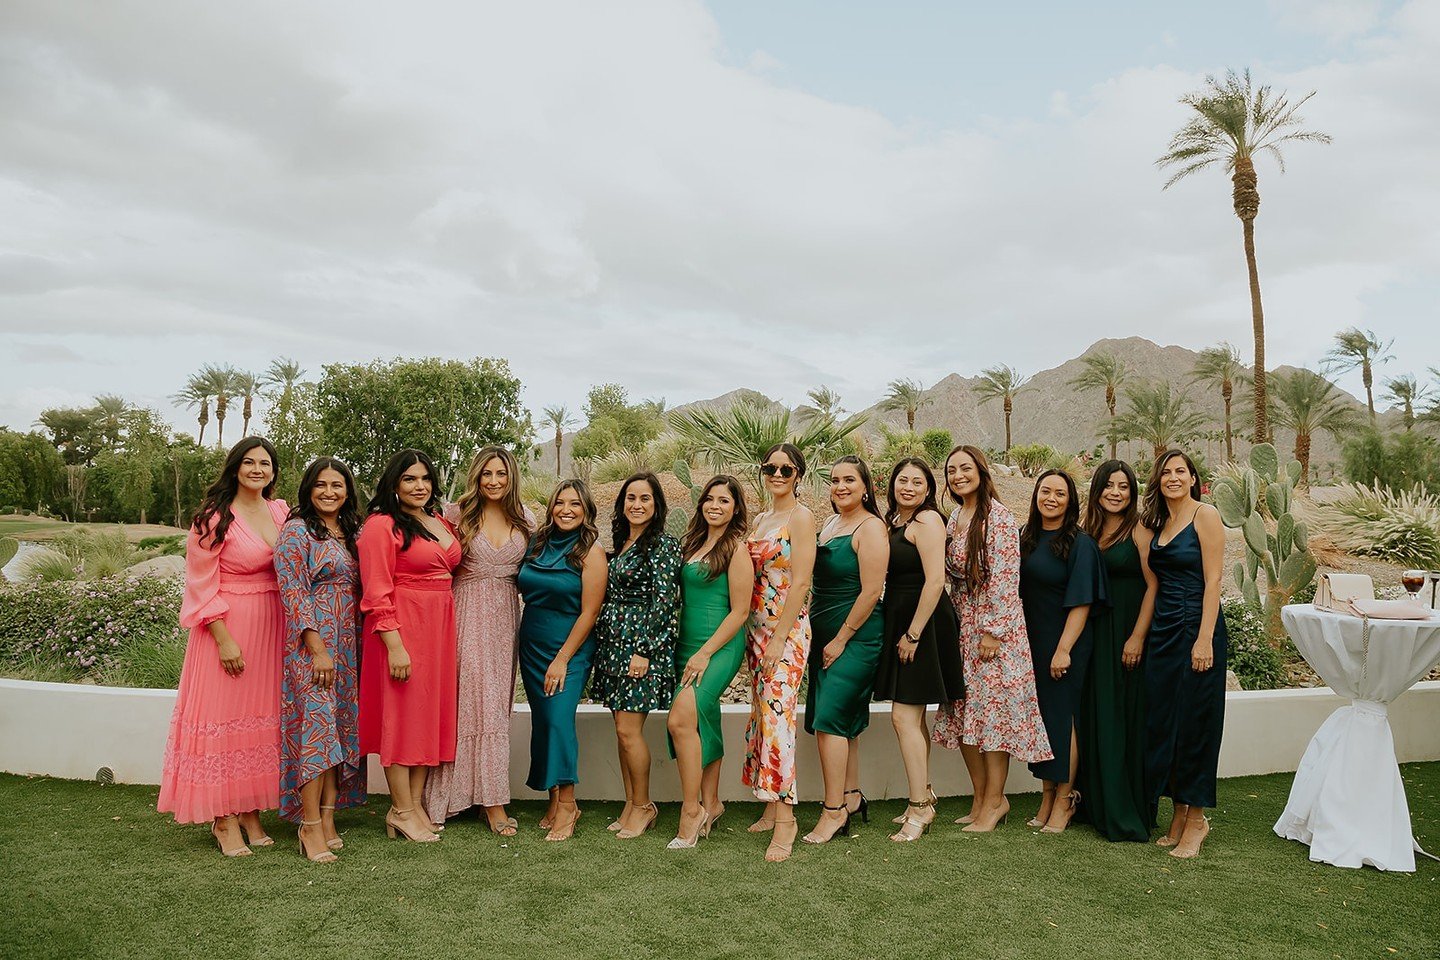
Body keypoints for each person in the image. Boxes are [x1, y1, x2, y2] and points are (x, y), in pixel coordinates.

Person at [158, 437, 288, 857]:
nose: (257, 469)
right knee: (224, 715)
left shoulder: (280, 511)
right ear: (235, 468)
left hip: (272, 626)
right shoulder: (213, 518)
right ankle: (223, 818)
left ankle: (250, 809)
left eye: (265, 463)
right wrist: (223, 637)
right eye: (249, 462)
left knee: (259, 716)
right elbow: (200, 583)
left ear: (273, 471)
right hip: (228, 626)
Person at [933, 445, 1051, 832]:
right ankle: (981, 797)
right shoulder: (955, 517)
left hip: (994, 630)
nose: (958, 476)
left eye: (965, 468)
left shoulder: (998, 516)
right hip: (963, 625)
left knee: (993, 716)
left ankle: (996, 801)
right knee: (966, 713)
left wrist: (993, 631)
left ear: (981, 472)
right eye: (952, 470)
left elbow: (1005, 578)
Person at [423, 446, 532, 837]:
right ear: (477, 476)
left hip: (506, 618)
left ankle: (490, 796)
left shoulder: (526, 519)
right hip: (465, 613)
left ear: (511, 476)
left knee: (496, 706)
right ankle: (458, 798)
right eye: (487, 473)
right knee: (468, 702)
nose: (494, 481)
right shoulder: (456, 515)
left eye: (501, 473)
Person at [357, 449, 461, 844]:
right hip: (403, 627)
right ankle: (400, 808)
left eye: (425, 478)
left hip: (438, 628)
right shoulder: (381, 525)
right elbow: (375, 590)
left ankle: (414, 807)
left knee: (426, 718)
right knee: (402, 719)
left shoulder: (438, 520)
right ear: (394, 484)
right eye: (409, 479)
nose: (420, 486)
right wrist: (394, 644)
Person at [274, 457, 365, 863]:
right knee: (316, 728)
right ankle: (309, 825)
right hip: (313, 645)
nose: (329, 492)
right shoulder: (296, 532)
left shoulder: (351, 531)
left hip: (349, 645)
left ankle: (328, 818)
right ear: (308, 488)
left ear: (348, 491)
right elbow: (293, 592)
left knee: (339, 730)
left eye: (337, 485)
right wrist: (317, 648)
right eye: (321, 485)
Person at [1141, 449, 1227, 859]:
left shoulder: (1204, 515)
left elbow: (1214, 581)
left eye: (1180, 471)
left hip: (1196, 627)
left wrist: (1205, 637)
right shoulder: (1161, 522)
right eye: (1166, 472)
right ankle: (1178, 812)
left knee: (1195, 723)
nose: (1173, 477)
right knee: (1167, 723)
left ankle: (1197, 820)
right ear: (1158, 481)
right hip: (1164, 632)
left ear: (1193, 478)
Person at [873, 457, 964, 842]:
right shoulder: (896, 521)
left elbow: (935, 581)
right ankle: (923, 793)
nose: (908, 487)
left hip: (922, 623)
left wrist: (912, 634)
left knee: (903, 717)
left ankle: (920, 807)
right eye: (902, 480)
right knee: (914, 717)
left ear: (928, 489)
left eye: (917, 482)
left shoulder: (927, 521)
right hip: (901, 617)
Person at [590, 472, 681, 840]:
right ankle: (630, 803)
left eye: (645, 498)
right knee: (621, 731)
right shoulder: (623, 541)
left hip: (640, 647)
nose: (637, 504)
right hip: (614, 645)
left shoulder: (663, 545)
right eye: (631, 498)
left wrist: (644, 650)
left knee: (630, 731)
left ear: (656, 505)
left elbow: (665, 601)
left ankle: (644, 805)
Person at [802, 456, 888, 845]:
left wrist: (840, 639)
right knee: (845, 720)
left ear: (865, 486)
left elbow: (871, 592)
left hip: (855, 637)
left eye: (849, 480)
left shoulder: (871, 528)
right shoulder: (831, 524)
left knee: (829, 721)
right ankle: (851, 796)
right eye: (835, 480)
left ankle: (833, 810)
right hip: (824, 635)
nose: (840, 486)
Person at [516, 479, 607, 842]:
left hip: (569, 647)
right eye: (560, 503)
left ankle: (568, 804)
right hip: (532, 643)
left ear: (586, 511)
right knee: (543, 720)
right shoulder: (537, 542)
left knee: (558, 719)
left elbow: (590, 613)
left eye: (575, 504)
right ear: (551, 507)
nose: (566, 510)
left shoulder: (591, 552)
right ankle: (553, 798)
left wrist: (562, 659)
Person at [1018, 469, 1108, 833]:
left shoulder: (1080, 543)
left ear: (1070, 501)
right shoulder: (1026, 537)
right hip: (1032, 643)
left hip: (1065, 643)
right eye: (1045, 491)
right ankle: (1046, 795)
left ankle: (1065, 798)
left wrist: (1064, 649)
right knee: (1041, 721)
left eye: (1059, 493)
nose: (1051, 498)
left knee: (1061, 720)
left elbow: (1082, 602)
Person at [666, 475, 752, 849]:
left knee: (680, 719)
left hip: (719, 645)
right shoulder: (693, 543)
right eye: (710, 499)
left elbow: (740, 611)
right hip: (686, 644)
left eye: (724, 501)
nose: (715, 506)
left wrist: (705, 653)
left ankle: (692, 810)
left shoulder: (736, 549)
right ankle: (713, 803)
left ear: (735, 509)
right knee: (703, 718)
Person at [1075, 459, 1156, 842]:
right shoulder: (1086, 530)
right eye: (1109, 485)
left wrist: (1137, 636)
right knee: (1094, 714)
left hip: (1126, 633)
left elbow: (1154, 586)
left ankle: (1125, 809)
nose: (1116, 492)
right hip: (1092, 633)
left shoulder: (1139, 529)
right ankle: (1094, 803)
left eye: (1123, 486)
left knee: (1122, 717)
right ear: (1098, 489)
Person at [743, 442, 816, 863]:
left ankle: (787, 819)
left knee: (776, 717)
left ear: (798, 475)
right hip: (755, 630)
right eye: (770, 468)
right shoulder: (761, 519)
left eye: (785, 470)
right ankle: (770, 806)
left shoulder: (800, 517)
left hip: (785, 632)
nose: (776, 475)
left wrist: (778, 638)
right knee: (761, 714)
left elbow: (802, 582)